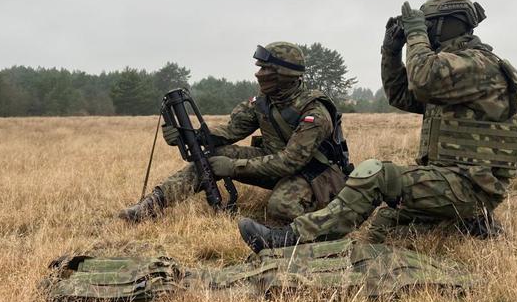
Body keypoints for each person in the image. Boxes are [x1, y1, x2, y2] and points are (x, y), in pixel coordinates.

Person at [239, 0, 517, 253]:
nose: (423, 33)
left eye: (427, 26)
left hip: (471, 186)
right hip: (454, 184)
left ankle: (292, 237)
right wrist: (391, 50)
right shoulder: (456, 73)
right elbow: (401, 95)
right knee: (385, 224)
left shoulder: (478, 65)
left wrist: (414, 32)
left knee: (376, 175)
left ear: (445, 26)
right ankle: (470, 224)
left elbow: (423, 80)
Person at [119, 42, 350, 224]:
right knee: (212, 156)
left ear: (284, 73)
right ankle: (153, 204)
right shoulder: (263, 102)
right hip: (274, 163)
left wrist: (233, 167)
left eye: (266, 68)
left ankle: (329, 218)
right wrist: (192, 135)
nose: (259, 74)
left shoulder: (315, 111)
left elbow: (290, 162)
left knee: (280, 207)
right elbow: (231, 130)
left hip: (316, 173)